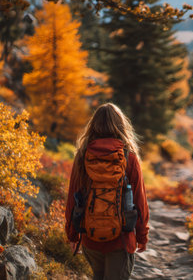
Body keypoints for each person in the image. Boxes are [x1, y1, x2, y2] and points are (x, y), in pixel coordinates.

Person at [65, 103, 149, 280]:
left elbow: (73, 197)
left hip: (90, 236)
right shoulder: (129, 158)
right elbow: (140, 201)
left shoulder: (83, 156)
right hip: (122, 239)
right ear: (121, 125)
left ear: (93, 125)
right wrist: (142, 235)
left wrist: (72, 235)